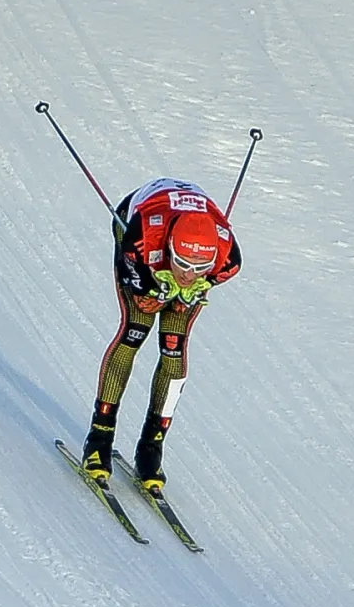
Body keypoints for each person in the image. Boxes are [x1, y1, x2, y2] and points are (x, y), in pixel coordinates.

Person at [81, 177, 242, 492]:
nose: (188, 273)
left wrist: (199, 286)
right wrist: (150, 291)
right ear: (171, 248)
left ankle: (151, 447)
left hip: (178, 227)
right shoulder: (143, 236)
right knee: (135, 329)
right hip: (138, 234)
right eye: (182, 263)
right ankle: (99, 438)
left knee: (174, 348)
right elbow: (135, 274)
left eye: (200, 266)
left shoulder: (226, 253)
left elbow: (223, 271)